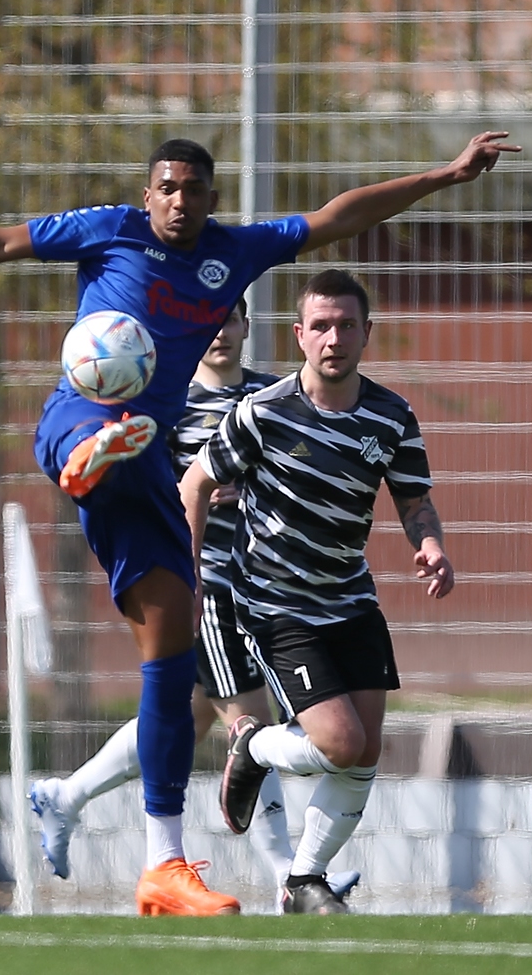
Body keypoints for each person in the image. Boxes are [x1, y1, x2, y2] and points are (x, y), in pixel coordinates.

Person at [0, 132, 514, 916]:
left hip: (153, 467)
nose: (178, 201)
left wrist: (444, 174)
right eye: (166, 187)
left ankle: (163, 864)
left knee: (170, 643)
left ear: (210, 198)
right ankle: (84, 456)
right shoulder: (107, 229)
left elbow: (340, 217)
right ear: (147, 192)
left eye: (193, 190)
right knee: (103, 438)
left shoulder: (232, 252)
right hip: (85, 416)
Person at [28, 297, 322, 912]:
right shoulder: (169, 401)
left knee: (179, 723)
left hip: (258, 583)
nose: (219, 333)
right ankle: (287, 877)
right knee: (250, 724)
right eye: (208, 323)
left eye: (231, 321)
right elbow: (148, 479)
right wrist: (196, 487)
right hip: (202, 584)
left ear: (247, 326)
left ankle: (68, 795)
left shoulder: (268, 398)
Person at [183, 269, 454, 915]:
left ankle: (304, 880)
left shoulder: (391, 415)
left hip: (350, 596)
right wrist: (190, 578)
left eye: (347, 324)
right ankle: (252, 744)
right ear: (300, 334)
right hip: (276, 600)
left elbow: (414, 499)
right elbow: (193, 485)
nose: (334, 337)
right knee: (336, 741)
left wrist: (432, 543)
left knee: (364, 749)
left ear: (367, 332)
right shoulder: (262, 411)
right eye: (321, 326)